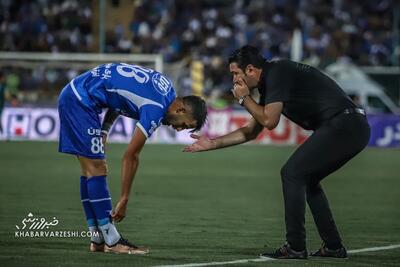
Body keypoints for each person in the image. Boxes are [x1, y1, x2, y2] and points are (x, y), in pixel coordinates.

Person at [184, 45, 370, 259]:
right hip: (349, 125)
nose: (235, 80)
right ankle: (333, 247)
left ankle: (295, 247)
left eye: (236, 73)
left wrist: (245, 99)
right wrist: (213, 143)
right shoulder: (272, 80)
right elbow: (251, 131)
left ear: (251, 70)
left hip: (344, 125)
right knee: (306, 180)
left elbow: (269, 121)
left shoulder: (277, 73)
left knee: (292, 173)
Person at [58, 63, 207, 254]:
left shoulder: (166, 88)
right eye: (184, 125)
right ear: (180, 110)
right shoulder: (156, 108)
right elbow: (131, 155)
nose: (179, 129)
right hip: (80, 100)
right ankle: (112, 241)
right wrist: (124, 199)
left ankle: (97, 238)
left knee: (90, 170)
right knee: (97, 168)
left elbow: (117, 97)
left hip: (78, 94)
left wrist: (105, 130)